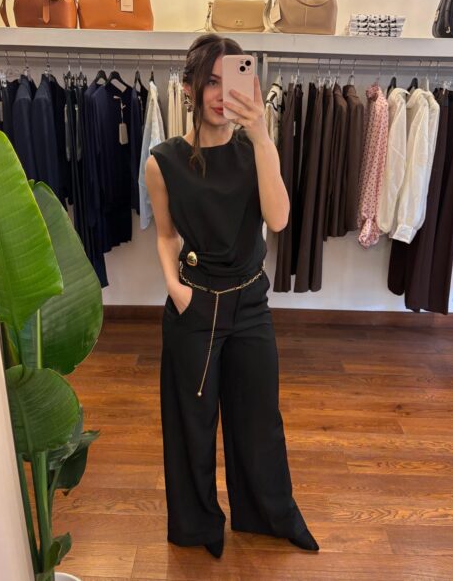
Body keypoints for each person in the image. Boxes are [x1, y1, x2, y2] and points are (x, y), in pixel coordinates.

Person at [145, 33, 319, 558]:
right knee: (191, 426)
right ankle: (198, 527)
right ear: (190, 88)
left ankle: (270, 516)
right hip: (194, 305)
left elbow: (279, 219)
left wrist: (262, 135)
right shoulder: (163, 161)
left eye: (232, 81)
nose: (222, 95)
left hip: (249, 304)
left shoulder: (254, 150)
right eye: (211, 82)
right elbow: (166, 235)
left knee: (258, 419)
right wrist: (174, 288)